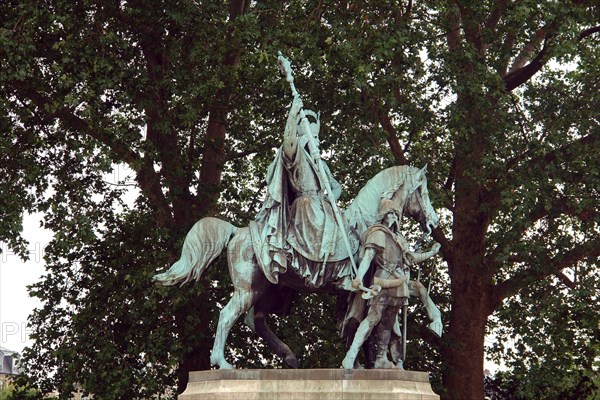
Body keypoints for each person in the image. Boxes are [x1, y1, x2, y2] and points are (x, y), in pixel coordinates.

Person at [250, 97, 357, 287]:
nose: (315, 141)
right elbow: (288, 142)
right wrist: (292, 115)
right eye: (311, 137)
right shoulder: (297, 155)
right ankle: (315, 266)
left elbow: (336, 186)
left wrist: (331, 196)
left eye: (317, 138)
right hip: (304, 205)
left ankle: (340, 271)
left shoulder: (321, 164)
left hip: (323, 204)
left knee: (348, 233)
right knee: (324, 223)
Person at [341, 199, 440, 369]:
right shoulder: (377, 233)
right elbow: (368, 258)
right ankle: (351, 355)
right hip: (383, 281)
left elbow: (411, 258)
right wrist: (359, 277)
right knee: (372, 318)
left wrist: (431, 252)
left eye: (395, 213)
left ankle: (381, 357)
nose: (393, 216)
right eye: (390, 213)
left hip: (399, 286)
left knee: (387, 324)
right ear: (383, 215)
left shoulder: (399, 239)